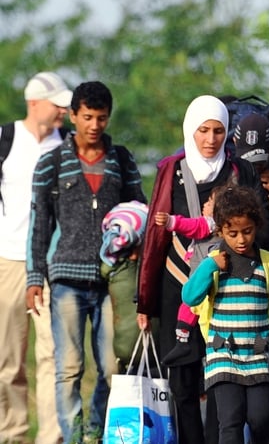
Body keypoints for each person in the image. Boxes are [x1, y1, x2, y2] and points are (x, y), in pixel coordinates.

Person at [136, 94, 269, 444]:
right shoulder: (172, 170)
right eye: (203, 131)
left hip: (226, 287)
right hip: (178, 285)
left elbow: (266, 227)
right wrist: (144, 301)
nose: (210, 139)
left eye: (218, 131)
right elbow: (155, 237)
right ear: (190, 131)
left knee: (222, 377)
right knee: (182, 377)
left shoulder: (239, 171)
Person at [26, 80, 147, 441]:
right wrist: (35, 277)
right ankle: (74, 436)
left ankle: (96, 431)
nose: (95, 126)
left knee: (112, 368)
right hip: (65, 280)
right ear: (74, 116)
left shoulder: (121, 160)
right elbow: (39, 224)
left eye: (102, 118)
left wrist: (137, 244)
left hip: (112, 281)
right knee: (68, 368)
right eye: (88, 117)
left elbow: (138, 207)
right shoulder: (51, 163)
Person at [181, 185, 269, 444]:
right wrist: (210, 267)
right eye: (232, 233)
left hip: (259, 356)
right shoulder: (213, 261)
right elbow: (190, 296)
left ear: (256, 226)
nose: (240, 240)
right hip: (222, 356)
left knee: (260, 419)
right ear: (220, 229)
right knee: (231, 421)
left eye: (246, 232)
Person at [0, 71, 70, 444]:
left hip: (50, 266)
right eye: (57, 103)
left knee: (54, 359)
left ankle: (52, 438)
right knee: (8, 362)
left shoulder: (69, 145)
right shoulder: (5, 140)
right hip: (7, 262)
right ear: (33, 103)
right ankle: (11, 434)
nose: (63, 110)